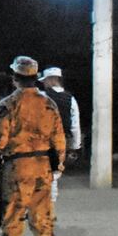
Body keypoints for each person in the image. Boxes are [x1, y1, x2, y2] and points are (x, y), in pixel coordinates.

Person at [0, 56, 65, 236]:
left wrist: (0, 150)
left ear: (15, 78)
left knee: (13, 217)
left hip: (17, 167)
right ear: (35, 78)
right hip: (43, 167)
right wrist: (58, 166)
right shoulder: (49, 104)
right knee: (43, 219)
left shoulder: (7, 105)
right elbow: (59, 140)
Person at [39, 67, 81, 203]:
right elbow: (75, 125)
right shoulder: (70, 99)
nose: (44, 83)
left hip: (41, 139)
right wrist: (75, 145)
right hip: (61, 140)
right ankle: (50, 205)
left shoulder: (41, 96)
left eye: (45, 80)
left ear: (51, 80)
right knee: (54, 174)